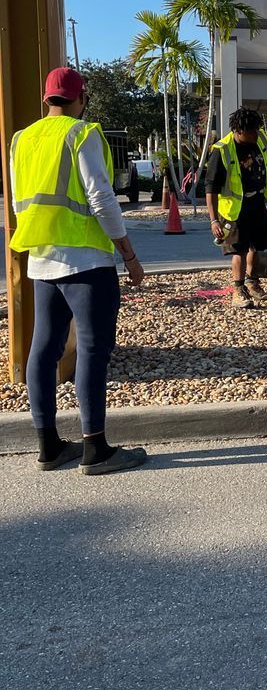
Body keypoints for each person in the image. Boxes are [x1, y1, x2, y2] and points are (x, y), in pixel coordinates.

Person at [8, 67, 148, 475]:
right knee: (91, 347)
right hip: (86, 259)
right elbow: (101, 198)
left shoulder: (22, 139)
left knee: (44, 347)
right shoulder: (82, 133)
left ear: (45, 98)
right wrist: (128, 253)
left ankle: (48, 446)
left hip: (41, 256)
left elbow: (19, 197)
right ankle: (96, 449)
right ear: (80, 98)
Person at [206, 107, 267, 309]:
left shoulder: (259, 139)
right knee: (239, 250)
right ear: (238, 131)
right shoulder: (222, 150)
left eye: (256, 130)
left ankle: (252, 283)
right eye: (251, 131)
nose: (256, 134)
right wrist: (213, 220)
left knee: (259, 246)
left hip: (257, 203)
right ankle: (238, 290)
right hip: (235, 209)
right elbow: (210, 188)